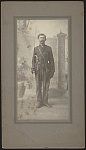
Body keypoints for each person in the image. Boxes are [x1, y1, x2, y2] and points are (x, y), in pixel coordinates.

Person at [31, 34, 55, 108]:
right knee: (38, 86)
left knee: (46, 86)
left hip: (46, 70)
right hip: (38, 69)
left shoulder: (49, 49)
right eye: (40, 38)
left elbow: (51, 60)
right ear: (38, 39)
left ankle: (45, 101)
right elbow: (33, 60)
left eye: (43, 38)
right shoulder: (36, 49)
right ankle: (39, 101)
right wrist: (33, 68)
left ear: (45, 39)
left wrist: (52, 71)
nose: (42, 39)